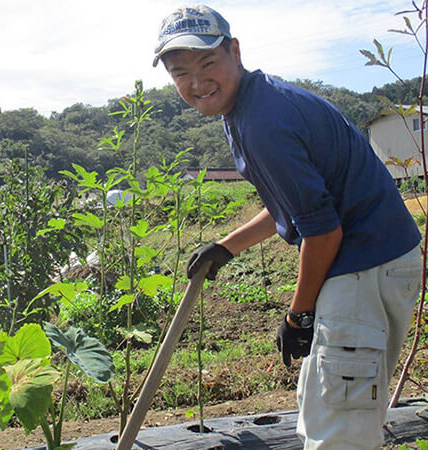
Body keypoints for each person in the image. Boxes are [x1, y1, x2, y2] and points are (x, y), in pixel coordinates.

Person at [153, 5, 423, 449]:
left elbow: (323, 232)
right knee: (327, 406)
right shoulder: (250, 106)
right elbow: (292, 205)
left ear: (234, 51)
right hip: (370, 261)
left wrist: (298, 316)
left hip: (363, 264)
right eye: (181, 73)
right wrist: (227, 245)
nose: (196, 83)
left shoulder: (263, 121)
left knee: (340, 431)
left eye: (207, 63)